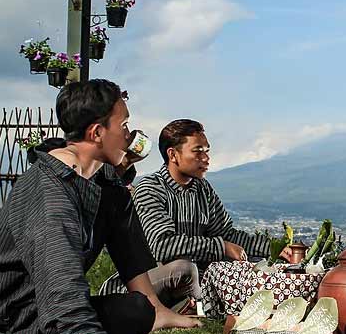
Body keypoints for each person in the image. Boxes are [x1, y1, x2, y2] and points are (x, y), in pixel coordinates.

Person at [0, 79, 200, 334]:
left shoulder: (99, 181)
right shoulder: (48, 189)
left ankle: (154, 310)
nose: (129, 134)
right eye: (124, 125)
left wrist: (155, 308)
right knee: (126, 314)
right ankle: (73, 330)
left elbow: (126, 242)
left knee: (139, 310)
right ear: (97, 133)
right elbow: (59, 271)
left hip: (46, 304)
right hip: (13, 315)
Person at [98, 119, 291, 308]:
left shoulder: (202, 188)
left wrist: (275, 249)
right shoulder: (150, 189)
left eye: (206, 151)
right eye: (198, 152)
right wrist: (221, 247)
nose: (206, 158)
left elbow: (226, 234)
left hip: (192, 281)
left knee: (258, 264)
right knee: (185, 268)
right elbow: (161, 246)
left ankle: (196, 304)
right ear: (173, 155)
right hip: (148, 281)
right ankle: (200, 305)